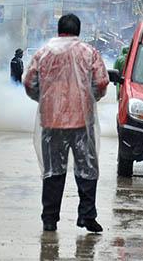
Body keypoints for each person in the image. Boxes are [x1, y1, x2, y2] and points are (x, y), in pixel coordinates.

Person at [23, 14, 109, 233]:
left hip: (51, 122)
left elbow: (29, 82)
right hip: (82, 121)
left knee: (53, 170)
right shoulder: (89, 53)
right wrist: (90, 99)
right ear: (77, 30)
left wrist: (44, 99)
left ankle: (49, 219)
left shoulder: (43, 53)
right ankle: (87, 216)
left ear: (59, 29)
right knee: (87, 169)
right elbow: (101, 82)